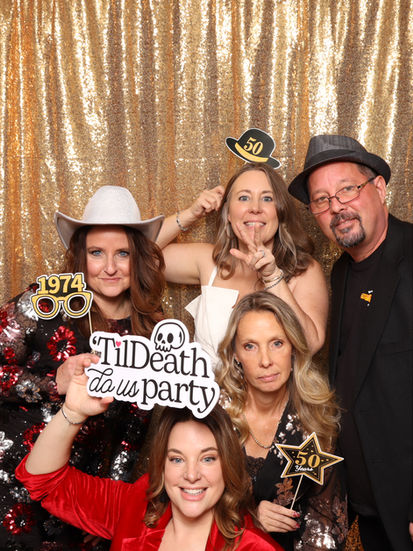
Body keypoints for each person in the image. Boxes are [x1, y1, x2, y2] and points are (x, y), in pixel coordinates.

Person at [0, 185, 165, 549]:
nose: (110, 267)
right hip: (12, 485)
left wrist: (111, 500)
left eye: (122, 253)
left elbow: (135, 427)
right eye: (96, 253)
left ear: (138, 257)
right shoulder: (43, 303)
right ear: (80, 255)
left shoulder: (150, 328)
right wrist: (51, 383)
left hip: (78, 496)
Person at [15, 355, 283, 551]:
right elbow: (45, 481)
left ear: (228, 465)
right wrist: (73, 412)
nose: (191, 475)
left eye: (208, 458)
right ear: (161, 465)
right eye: (177, 459)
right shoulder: (137, 506)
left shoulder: (255, 547)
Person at [288, 134, 413, 551]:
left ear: (379, 188)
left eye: (347, 189)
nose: (336, 207)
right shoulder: (341, 272)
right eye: (321, 200)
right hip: (370, 500)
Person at [156, 162, 328, 367]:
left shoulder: (304, 270)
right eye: (244, 198)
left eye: (267, 198)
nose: (255, 208)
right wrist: (190, 214)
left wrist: (273, 277)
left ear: (280, 211)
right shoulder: (209, 261)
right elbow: (137, 255)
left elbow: (310, 344)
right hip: (208, 389)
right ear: (228, 213)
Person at [215, 291, 347, 550]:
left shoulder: (315, 421)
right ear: (235, 354)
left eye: (277, 343)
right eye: (250, 346)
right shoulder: (214, 413)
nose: (265, 361)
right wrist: (250, 519)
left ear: (294, 348)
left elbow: (327, 525)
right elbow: (187, 498)